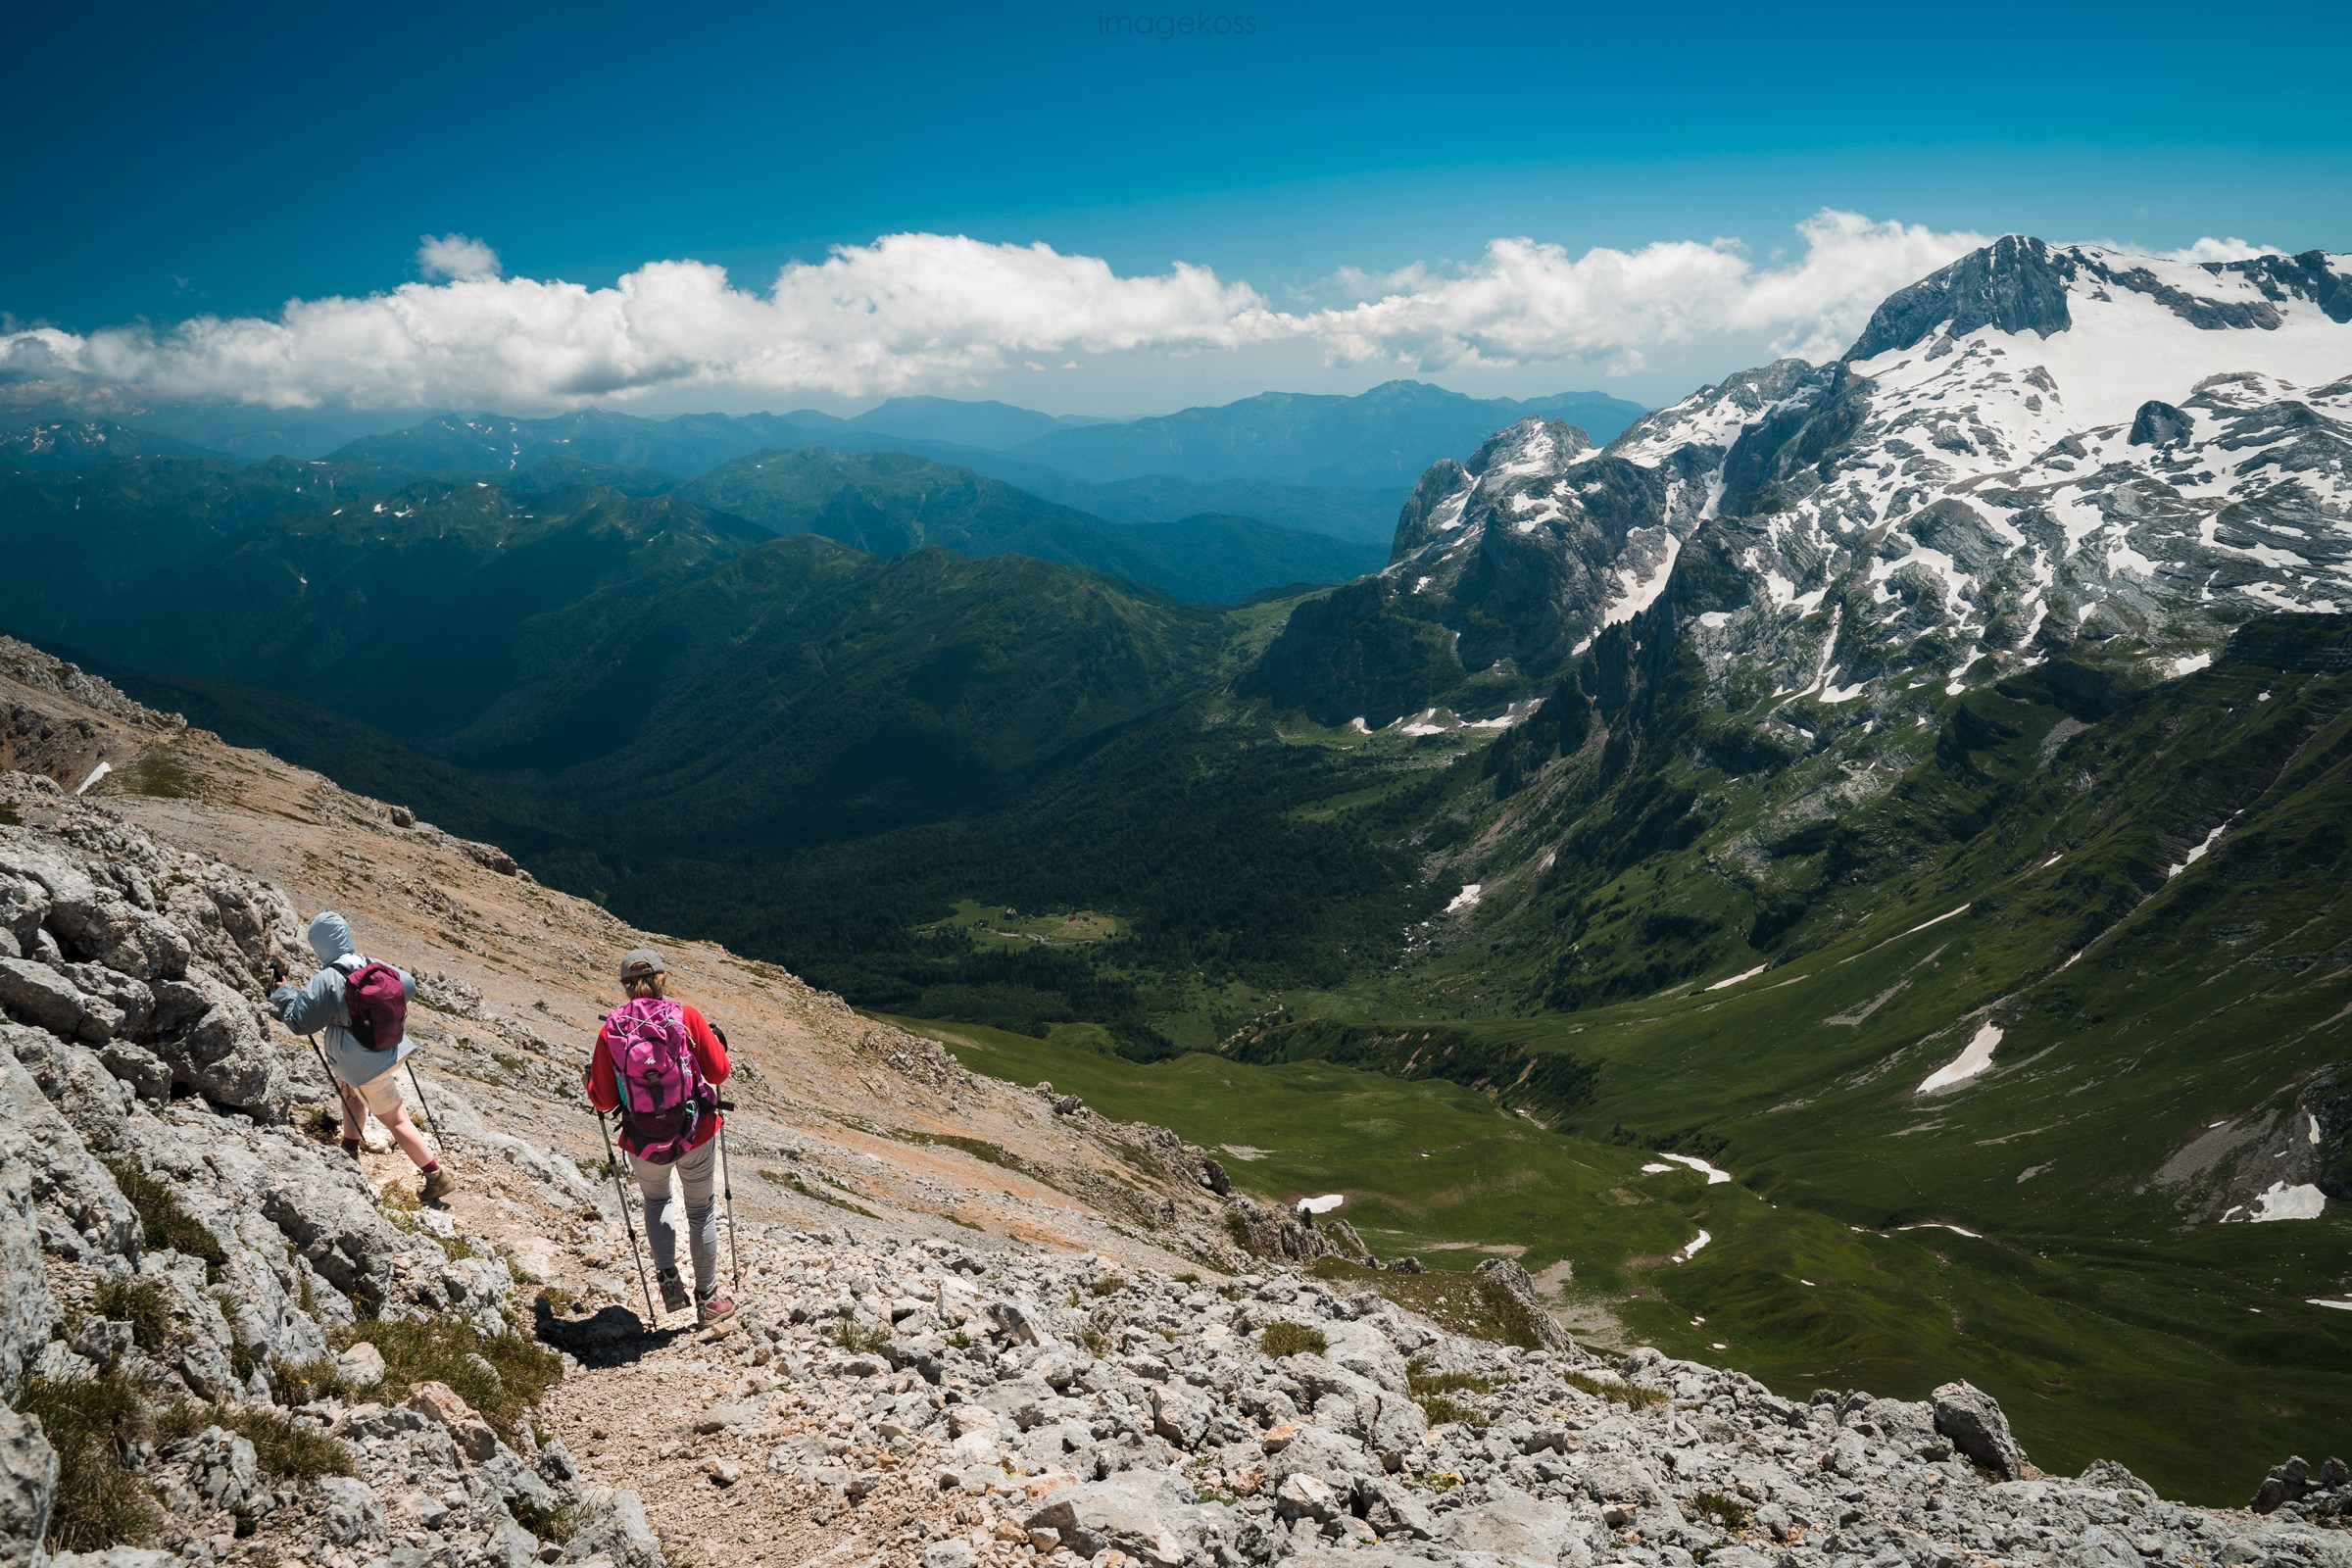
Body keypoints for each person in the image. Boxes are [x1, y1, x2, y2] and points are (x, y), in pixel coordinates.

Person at [584, 947, 736, 1325]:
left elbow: (603, 1101)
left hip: (642, 1137)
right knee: (701, 1210)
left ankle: (669, 1282)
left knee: (657, 1202)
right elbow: (718, 1074)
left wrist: (590, 1081)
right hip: (693, 1131)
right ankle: (709, 1300)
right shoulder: (686, 1017)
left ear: (624, 986)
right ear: (663, 978)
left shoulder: (611, 1030)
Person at [270, 910, 453, 1201]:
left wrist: (284, 993)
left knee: (396, 1119)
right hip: (392, 1048)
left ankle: (435, 1176)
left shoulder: (328, 978)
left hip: (363, 1063)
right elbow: (407, 985)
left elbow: (298, 1023)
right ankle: (350, 1147)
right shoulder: (371, 963)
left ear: (319, 945)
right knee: (351, 1092)